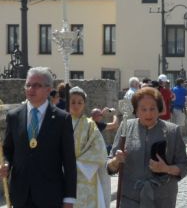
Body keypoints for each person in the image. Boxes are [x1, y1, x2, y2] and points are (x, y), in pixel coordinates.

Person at [0, 66, 77, 207]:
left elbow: (69, 162)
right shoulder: (14, 116)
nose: (31, 89)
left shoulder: (62, 119)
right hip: (20, 195)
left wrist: (69, 199)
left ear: (48, 89)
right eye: (28, 85)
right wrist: (5, 163)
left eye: (36, 85)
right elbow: (8, 150)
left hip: (50, 196)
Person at [107, 87, 187, 207]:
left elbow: (185, 166)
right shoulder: (126, 127)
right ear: (136, 110)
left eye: (152, 108)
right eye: (143, 109)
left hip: (162, 200)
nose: (148, 113)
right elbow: (110, 165)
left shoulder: (172, 131)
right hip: (130, 199)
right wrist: (116, 161)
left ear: (159, 109)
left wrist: (166, 169)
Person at [68, 86, 111, 208]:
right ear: (68, 103)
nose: (76, 105)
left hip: (86, 174)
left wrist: (77, 163)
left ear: (84, 104)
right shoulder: (61, 122)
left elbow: (99, 149)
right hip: (64, 172)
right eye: (73, 102)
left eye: (79, 102)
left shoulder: (90, 124)